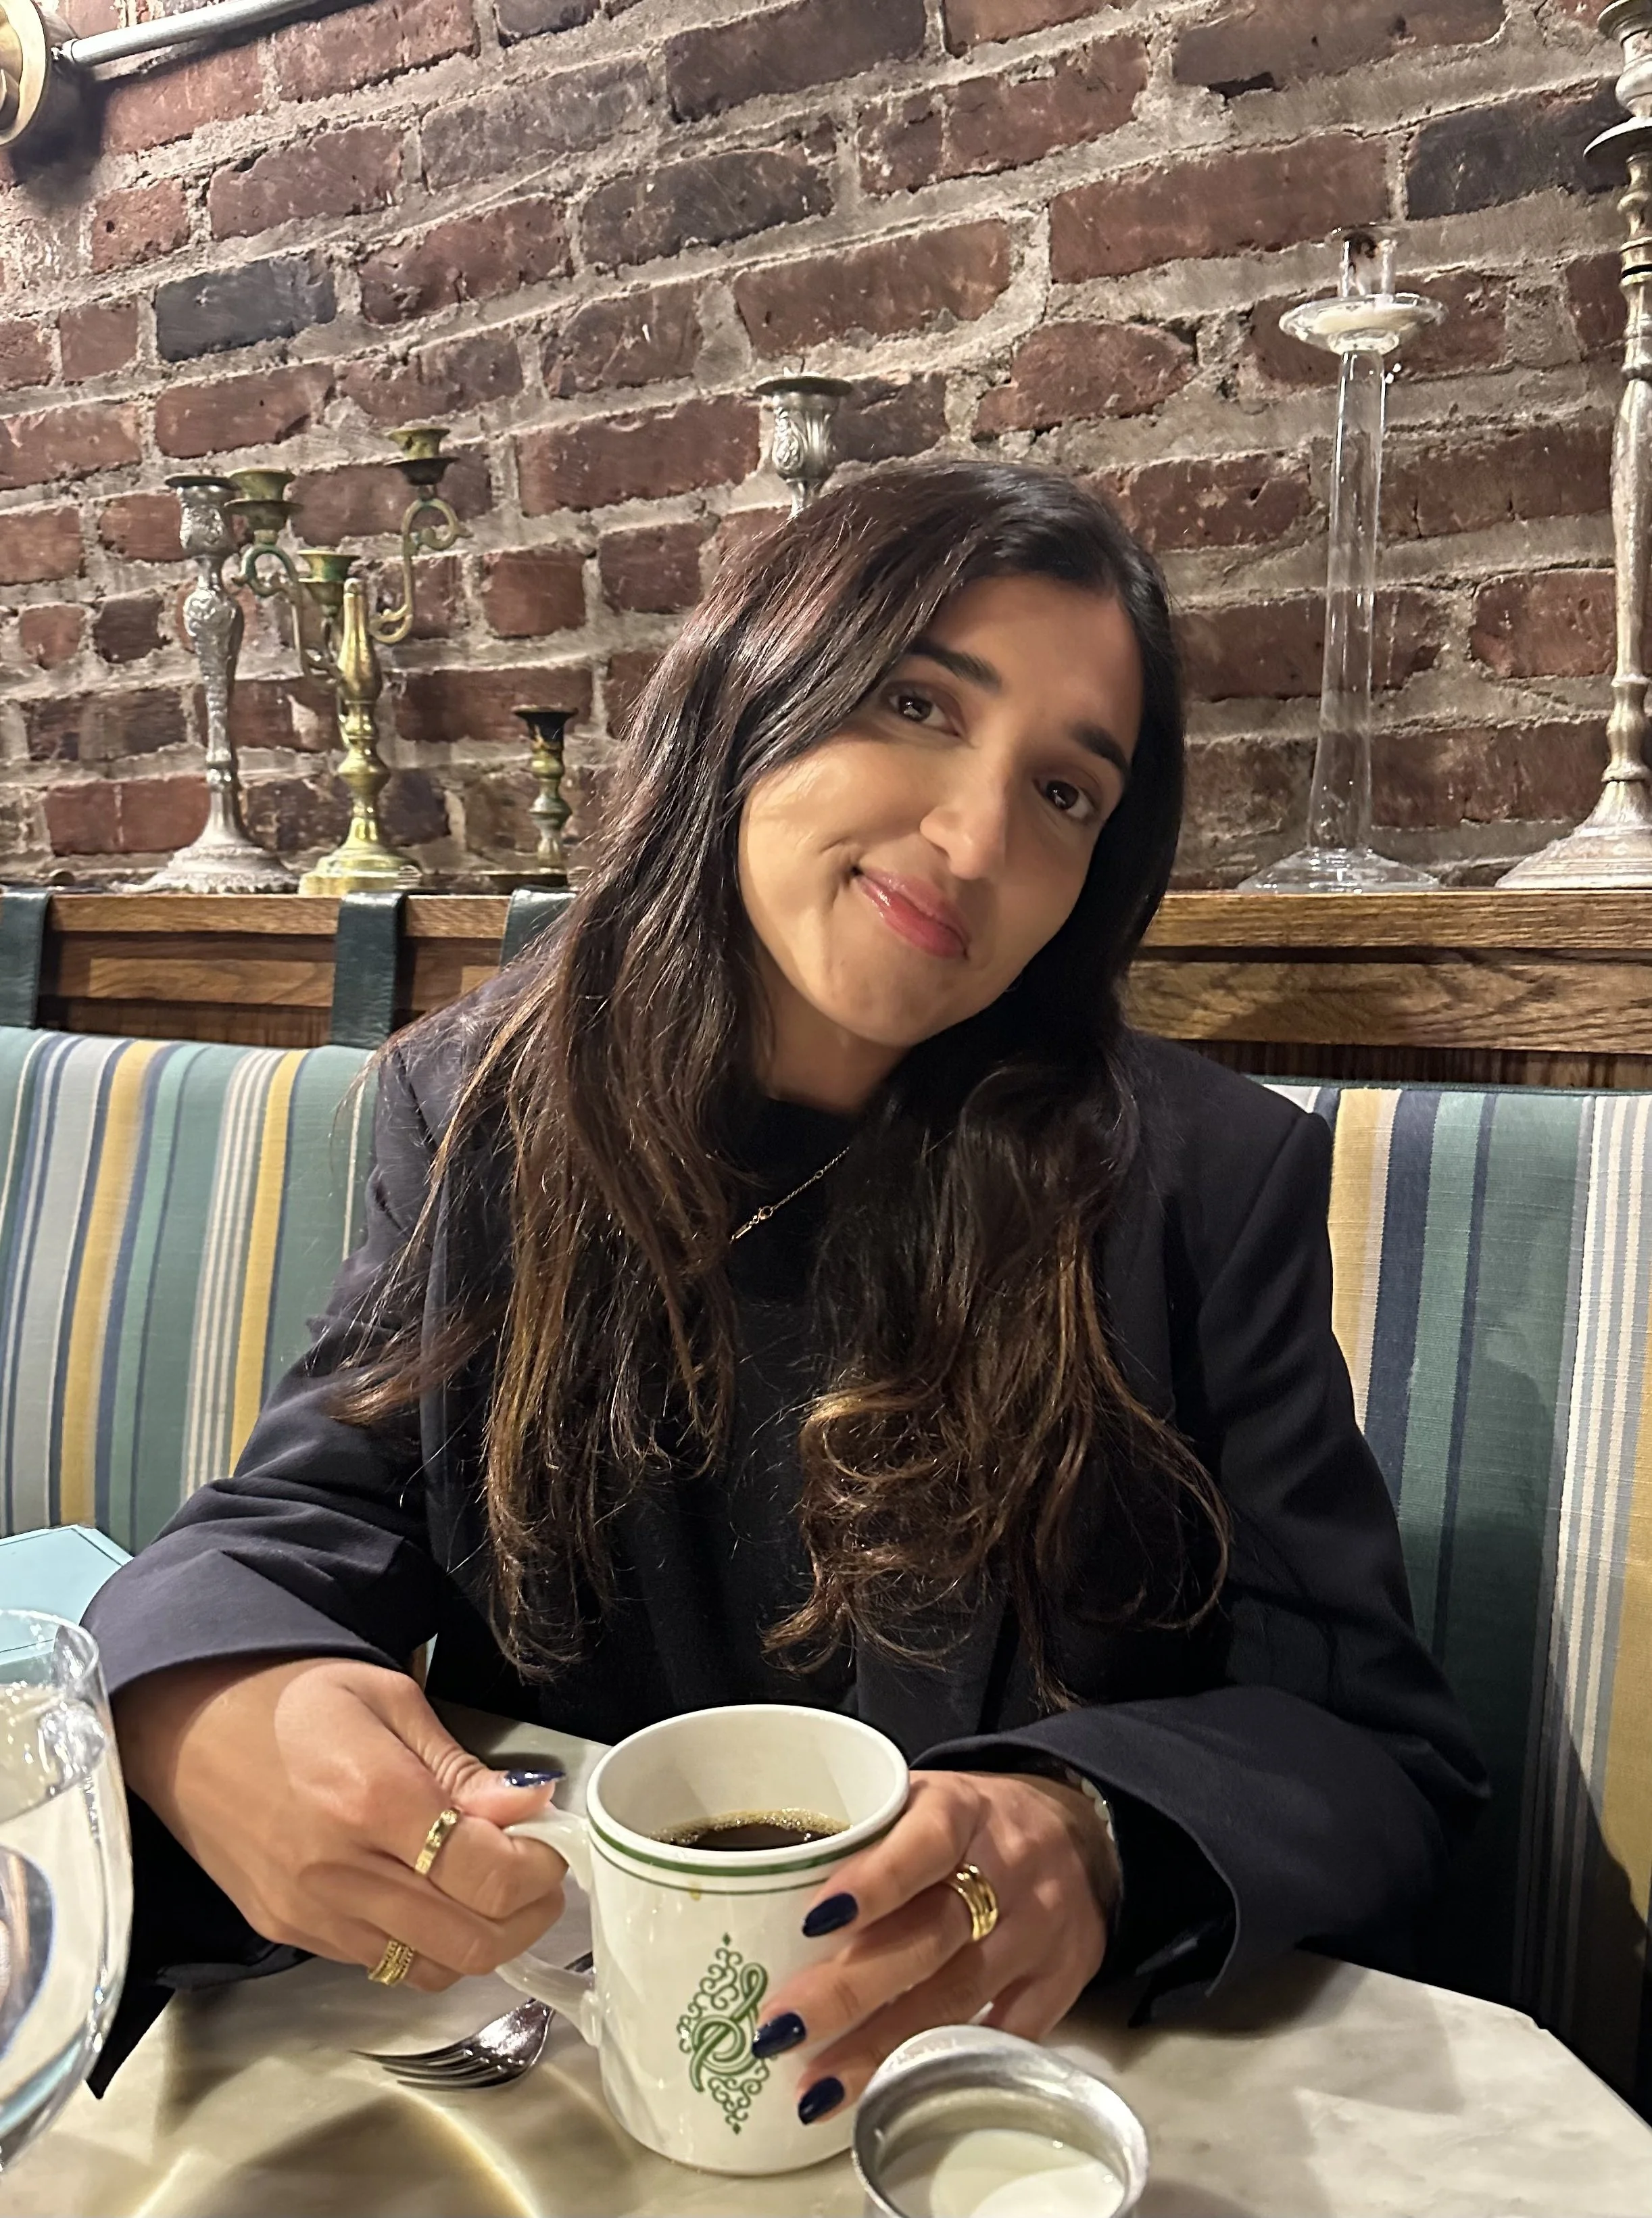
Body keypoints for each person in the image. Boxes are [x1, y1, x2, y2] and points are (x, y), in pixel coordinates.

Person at [88, 459, 1486, 2123]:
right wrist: (193, 1703)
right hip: (576, 2082)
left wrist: (1089, 1831)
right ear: (751, 691)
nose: (973, 837)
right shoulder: (485, 1109)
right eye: (915, 702)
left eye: (1063, 794)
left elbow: (1375, 1746)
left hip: (996, 2096)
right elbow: (295, 1522)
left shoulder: (1194, 1181)